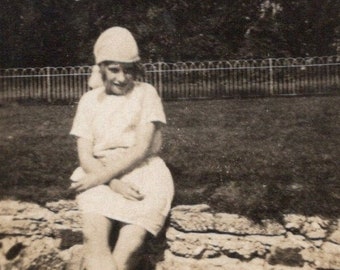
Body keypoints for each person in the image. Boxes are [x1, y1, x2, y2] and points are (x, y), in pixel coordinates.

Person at [69, 26, 175, 270]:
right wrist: (112, 183)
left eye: (128, 70)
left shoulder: (146, 94)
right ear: (101, 67)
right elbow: (85, 155)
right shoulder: (89, 101)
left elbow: (140, 148)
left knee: (130, 247)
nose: (121, 77)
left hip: (144, 172)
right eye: (114, 69)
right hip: (98, 171)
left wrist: (105, 179)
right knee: (94, 240)